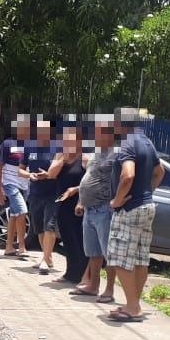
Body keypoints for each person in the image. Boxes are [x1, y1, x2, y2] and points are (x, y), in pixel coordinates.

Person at [106, 108, 164, 322]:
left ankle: (132, 307)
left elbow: (127, 175)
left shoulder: (127, 143)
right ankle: (133, 303)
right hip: (147, 206)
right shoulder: (147, 142)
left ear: (120, 124)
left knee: (118, 257)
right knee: (140, 258)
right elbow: (160, 172)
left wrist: (117, 200)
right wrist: (148, 191)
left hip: (129, 209)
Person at [70, 120, 117, 302]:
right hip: (89, 209)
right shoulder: (98, 154)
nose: (95, 137)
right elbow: (88, 177)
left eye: (98, 133)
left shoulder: (116, 155)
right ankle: (93, 285)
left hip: (105, 209)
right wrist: (81, 201)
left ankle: (109, 289)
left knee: (108, 252)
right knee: (93, 252)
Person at [47, 124, 87, 284]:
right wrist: (63, 158)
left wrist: (75, 190)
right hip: (63, 204)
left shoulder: (84, 158)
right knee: (67, 240)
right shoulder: (60, 156)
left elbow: (91, 182)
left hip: (79, 205)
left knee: (79, 240)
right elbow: (51, 174)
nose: (67, 143)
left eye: (70, 140)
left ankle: (83, 275)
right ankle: (70, 273)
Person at [21, 117, 58, 274]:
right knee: (39, 228)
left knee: (49, 225)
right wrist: (30, 176)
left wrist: (48, 175)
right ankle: (47, 257)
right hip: (35, 193)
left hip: (53, 193)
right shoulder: (30, 146)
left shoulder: (58, 147)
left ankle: (45, 259)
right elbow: (20, 169)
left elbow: (59, 168)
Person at [0, 115, 31, 257]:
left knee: (15, 214)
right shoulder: (8, 144)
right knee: (22, 211)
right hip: (10, 183)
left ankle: (9, 247)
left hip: (24, 185)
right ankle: (21, 246)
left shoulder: (30, 145)